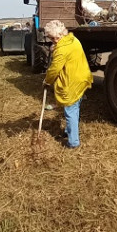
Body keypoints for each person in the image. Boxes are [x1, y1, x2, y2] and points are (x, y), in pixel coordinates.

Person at [43, 20, 93, 148]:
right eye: (51, 38)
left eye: (55, 38)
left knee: (70, 111)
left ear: (60, 35)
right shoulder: (73, 40)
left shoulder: (61, 50)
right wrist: (56, 48)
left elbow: (54, 69)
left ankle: (73, 142)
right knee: (75, 108)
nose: (53, 40)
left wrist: (47, 81)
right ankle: (69, 131)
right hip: (82, 79)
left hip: (72, 82)